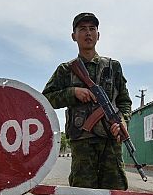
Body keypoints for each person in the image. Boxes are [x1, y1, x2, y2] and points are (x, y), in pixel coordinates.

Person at [42, 13, 132, 190]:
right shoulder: (66, 70)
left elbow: (124, 101)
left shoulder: (113, 67)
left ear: (98, 35)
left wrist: (123, 121)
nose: (88, 33)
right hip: (82, 143)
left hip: (110, 142)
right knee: (82, 190)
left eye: (92, 29)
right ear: (74, 36)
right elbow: (46, 98)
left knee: (115, 189)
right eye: (82, 29)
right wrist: (72, 92)